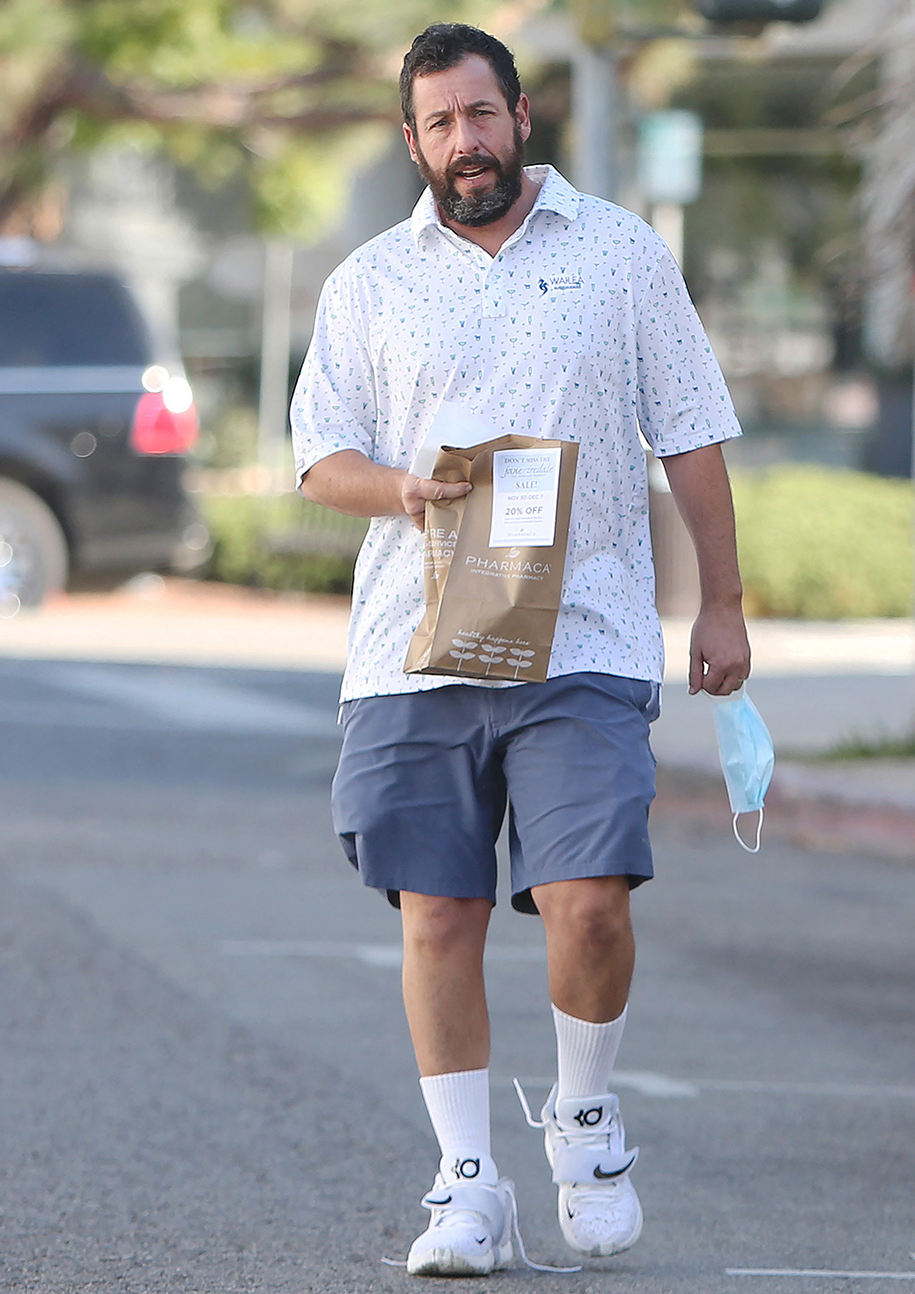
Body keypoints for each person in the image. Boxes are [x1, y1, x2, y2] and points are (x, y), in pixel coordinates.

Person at [290, 22, 751, 1277]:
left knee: (589, 902)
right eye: (438, 124)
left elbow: (694, 431)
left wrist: (721, 602)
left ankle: (586, 1122)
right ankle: (467, 1185)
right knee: (438, 914)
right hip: (414, 646)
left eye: (479, 115)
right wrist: (404, 491)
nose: (463, 141)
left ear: (520, 116)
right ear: (411, 141)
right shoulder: (368, 283)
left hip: (586, 634)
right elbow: (318, 452)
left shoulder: (618, 253)